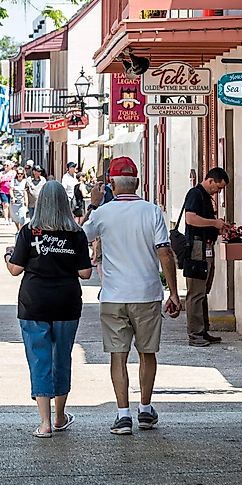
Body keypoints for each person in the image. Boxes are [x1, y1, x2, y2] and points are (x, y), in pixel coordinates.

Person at [83, 156, 183, 435]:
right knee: (147, 353)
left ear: (111, 184)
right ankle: (146, 409)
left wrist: (93, 203)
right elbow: (164, 251)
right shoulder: (152, 211)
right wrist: (173, 292)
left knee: (118, 355)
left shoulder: (102, 213)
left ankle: (122, 414)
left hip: (114, 295)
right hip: (147, 293)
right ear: (137, 182)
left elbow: (81, 236)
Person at [6, 181, 94, 437]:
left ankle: (44, 423)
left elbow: (15, 269)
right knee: (62, 357)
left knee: (39, 358)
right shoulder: (76, 233)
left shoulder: (29, 232)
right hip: (66, 301)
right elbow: (85, 272)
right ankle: (59, 416)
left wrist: (7, 257)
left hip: (34, 302)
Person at [182, 167, 230, 347]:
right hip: (197, 247)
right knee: (195, 292)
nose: (218, 192)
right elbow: (191, 219)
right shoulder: (195, 194)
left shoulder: (204, 196)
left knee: (202, 291)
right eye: (218, 188)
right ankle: (195, 334)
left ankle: (202, 330)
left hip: (206, 246)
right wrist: (214, 223)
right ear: (210, 181)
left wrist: (218, 227)